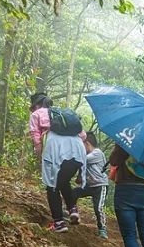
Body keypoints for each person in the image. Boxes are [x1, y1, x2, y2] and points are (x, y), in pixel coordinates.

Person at [28, 91, 86, 232]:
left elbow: (36, 136)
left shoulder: (36, 114)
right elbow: (83, 135)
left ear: (36, 105)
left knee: (51, 186)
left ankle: (59, 223)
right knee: (62, 180)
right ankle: (73, 209)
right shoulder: (61, 113)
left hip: (56, 149)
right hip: (78, 150)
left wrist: (40, 153)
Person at [72, 131, 109, 238]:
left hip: (100, 185)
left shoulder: (97, 153)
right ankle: (73, 214)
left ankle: (102, 229)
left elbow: (82, 160)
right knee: (73, 193)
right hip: (89, 185)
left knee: (98, 208)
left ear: (87, 143)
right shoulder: (88, 155)